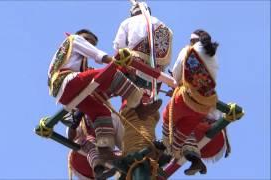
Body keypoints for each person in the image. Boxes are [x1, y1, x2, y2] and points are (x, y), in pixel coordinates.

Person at [48, 29, 161, 172]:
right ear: (80, 36)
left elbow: (100, 85)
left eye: (93, 43)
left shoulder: (77, 63)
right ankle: (140, 107)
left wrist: (122, 70)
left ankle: (105, 150)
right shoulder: (74, 40)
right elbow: (98, 56)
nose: (90, 44)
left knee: (101, 113)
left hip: (67, 94)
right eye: (88, 40)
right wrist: (118, 63)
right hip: (67, 82)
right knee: (110, 74)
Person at [161, 29, 219, 175]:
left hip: (187, 98)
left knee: (168, 118)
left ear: (193, 41)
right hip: (205, 105)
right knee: (184, 129)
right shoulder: (214, 57)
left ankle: (166, 149)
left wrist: (176, 85)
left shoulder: (188, 50)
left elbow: (176, 76)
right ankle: (195, 160)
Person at [113, 2, 173, 105]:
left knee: (113, 74)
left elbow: (119, 48)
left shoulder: (127, 22)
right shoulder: (164, 26)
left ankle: (127, 107)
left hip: (134, 71)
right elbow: (167, 57)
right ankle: (147, 103)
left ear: (132, 13)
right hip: (157, 78)